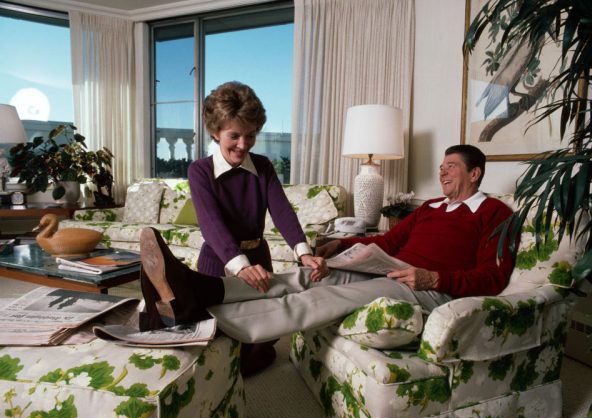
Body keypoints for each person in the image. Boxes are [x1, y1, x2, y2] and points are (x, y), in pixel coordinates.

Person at [139, 144, 516, 344]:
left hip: (430, 289)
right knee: (306, 278)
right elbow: (388, 239)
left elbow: (493, 277)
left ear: (475, 173)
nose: (442, 172)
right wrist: (343, 247)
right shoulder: (431, 207)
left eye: (451, 166)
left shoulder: (495, 214)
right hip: (394, 273)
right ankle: (199, 288)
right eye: (442, 166)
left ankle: (203, 323)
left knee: (322, 298)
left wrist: (434, 278)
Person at [158, 81, 325, 375]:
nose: (243, 144)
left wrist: (303, 252)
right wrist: (240, 266)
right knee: (213, 340)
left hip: (259, 259)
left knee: (258, 333)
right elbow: (212, 224)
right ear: (215, 131)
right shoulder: (200, 170)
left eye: (251, 135)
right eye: (234, 136)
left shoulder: (263, 166)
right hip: (217, 261)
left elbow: (282, 210)